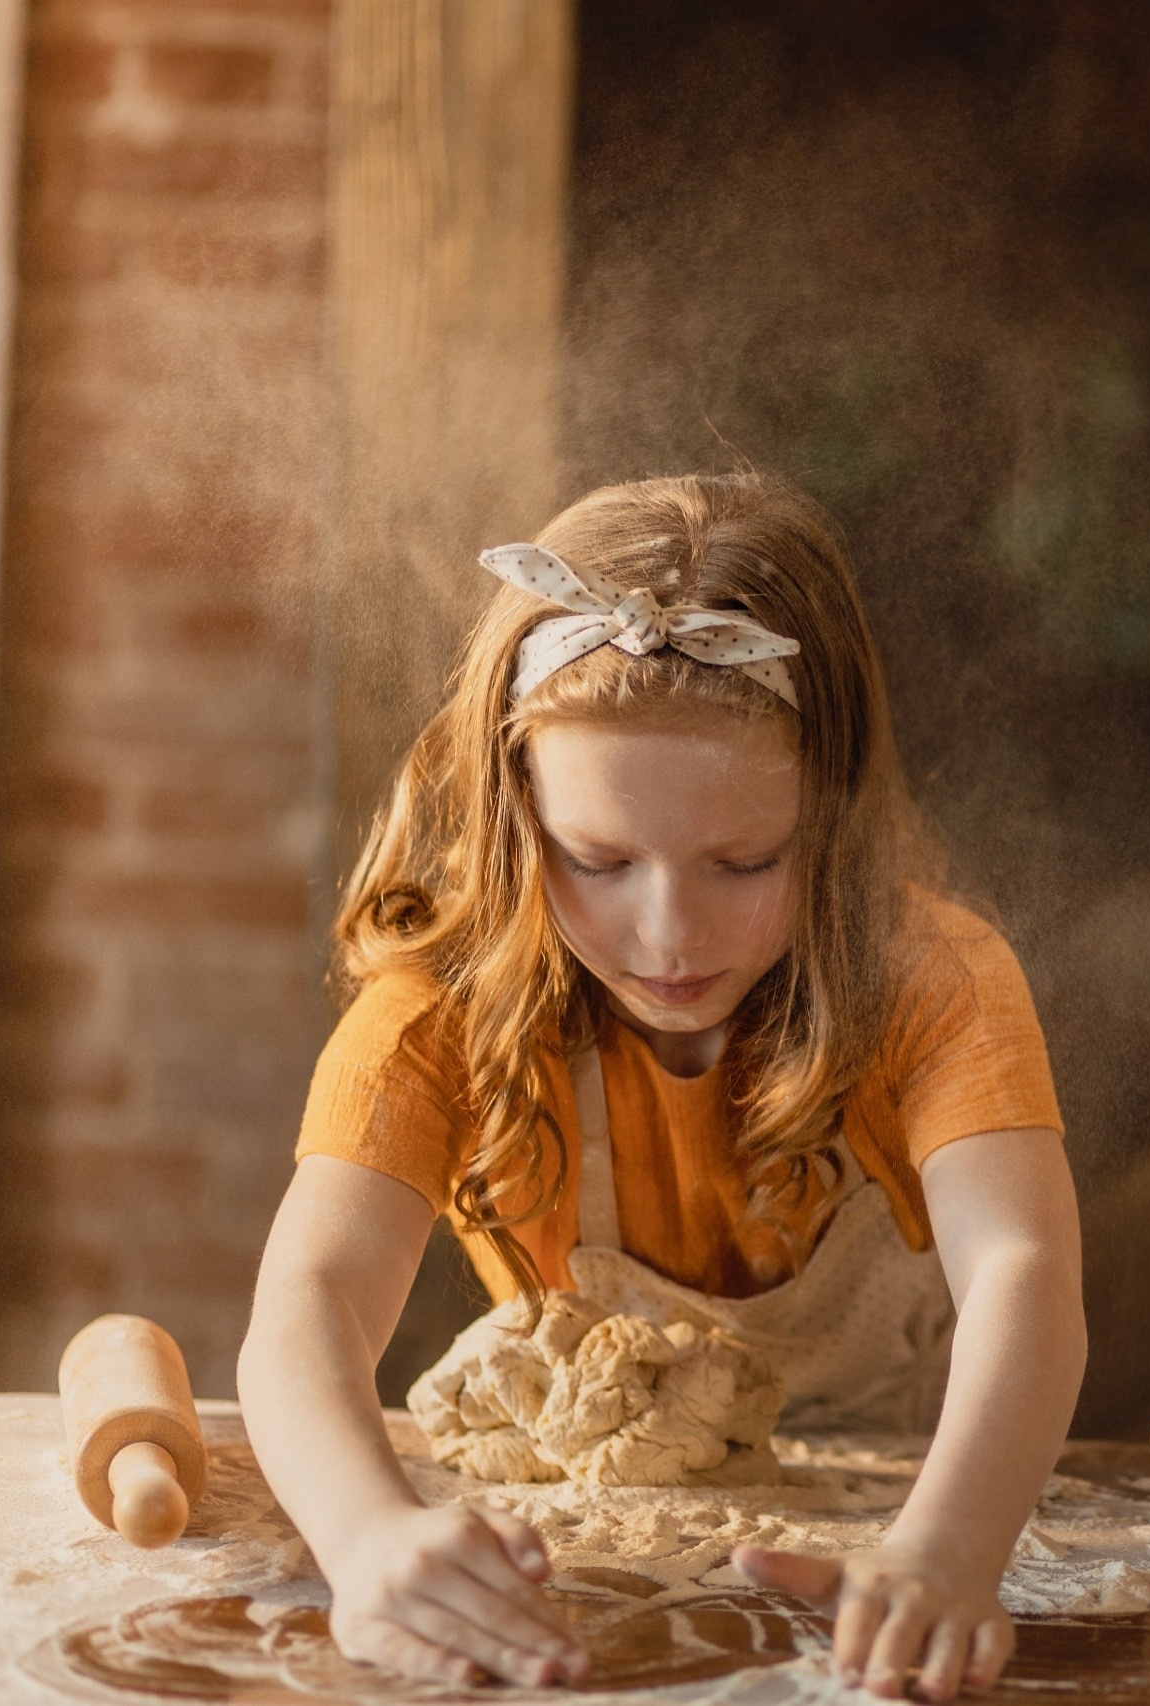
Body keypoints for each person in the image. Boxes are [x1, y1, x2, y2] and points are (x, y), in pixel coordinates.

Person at [237, 475, 1084, 1699]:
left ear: (833, 810)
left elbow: (1022, 1269)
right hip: (590, 1578)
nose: (669, 933)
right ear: (515, 811)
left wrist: (951, 1548)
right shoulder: (436, 1017)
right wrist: (365, 1533)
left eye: (744, 859)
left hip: (896, 1549)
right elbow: (306, 1302)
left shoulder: (933, 981)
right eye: (598, 858)